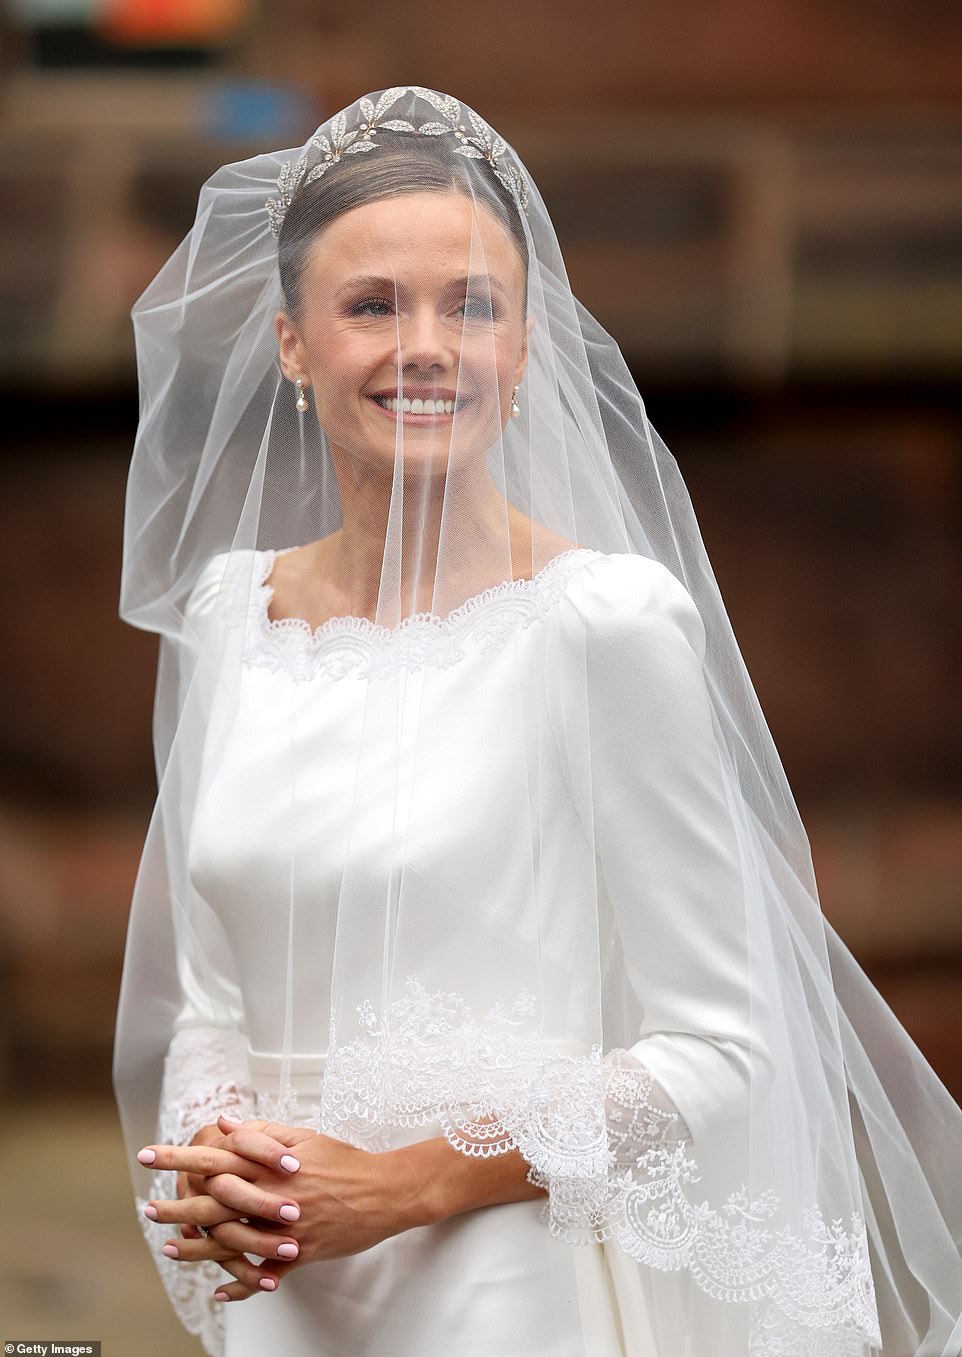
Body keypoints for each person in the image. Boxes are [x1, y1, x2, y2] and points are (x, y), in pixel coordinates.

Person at [114, 87, 962, 1357]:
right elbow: (212, 997)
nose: (427, 346)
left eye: (471, 304)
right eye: (370, 305)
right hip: (288, 1286)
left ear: (524, 347)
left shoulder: (601, 626)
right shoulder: (234, 618)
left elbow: (724, 1048)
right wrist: (236, 1169)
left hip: (503, 1289)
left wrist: (404, 1185)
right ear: (291, 343)